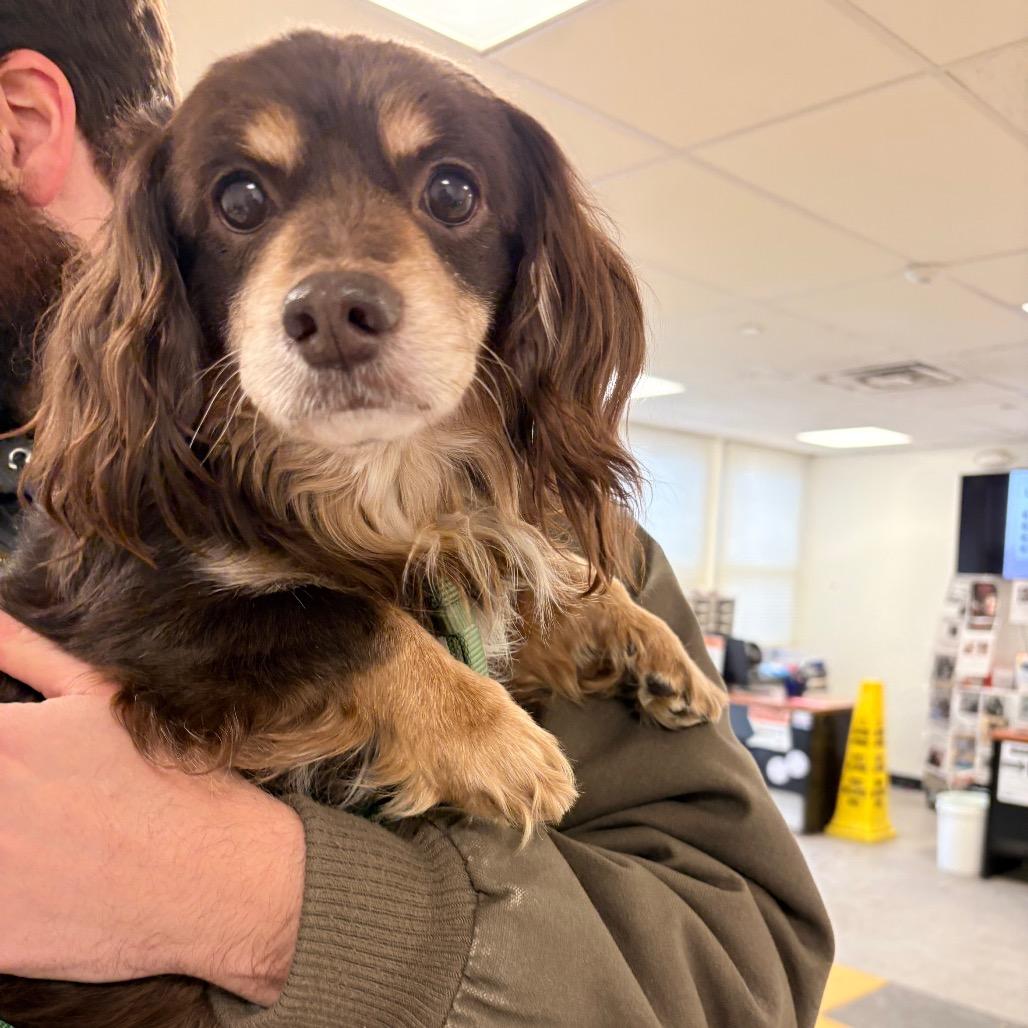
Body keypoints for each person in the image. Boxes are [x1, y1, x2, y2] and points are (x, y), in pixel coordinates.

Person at [0, 3, 833, 1025]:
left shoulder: (566, 536)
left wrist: (255, 896)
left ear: (19, 117)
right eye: (243, 199)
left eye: (448, 192)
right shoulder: (134, 506)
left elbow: (745, 969)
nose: (333, 290)